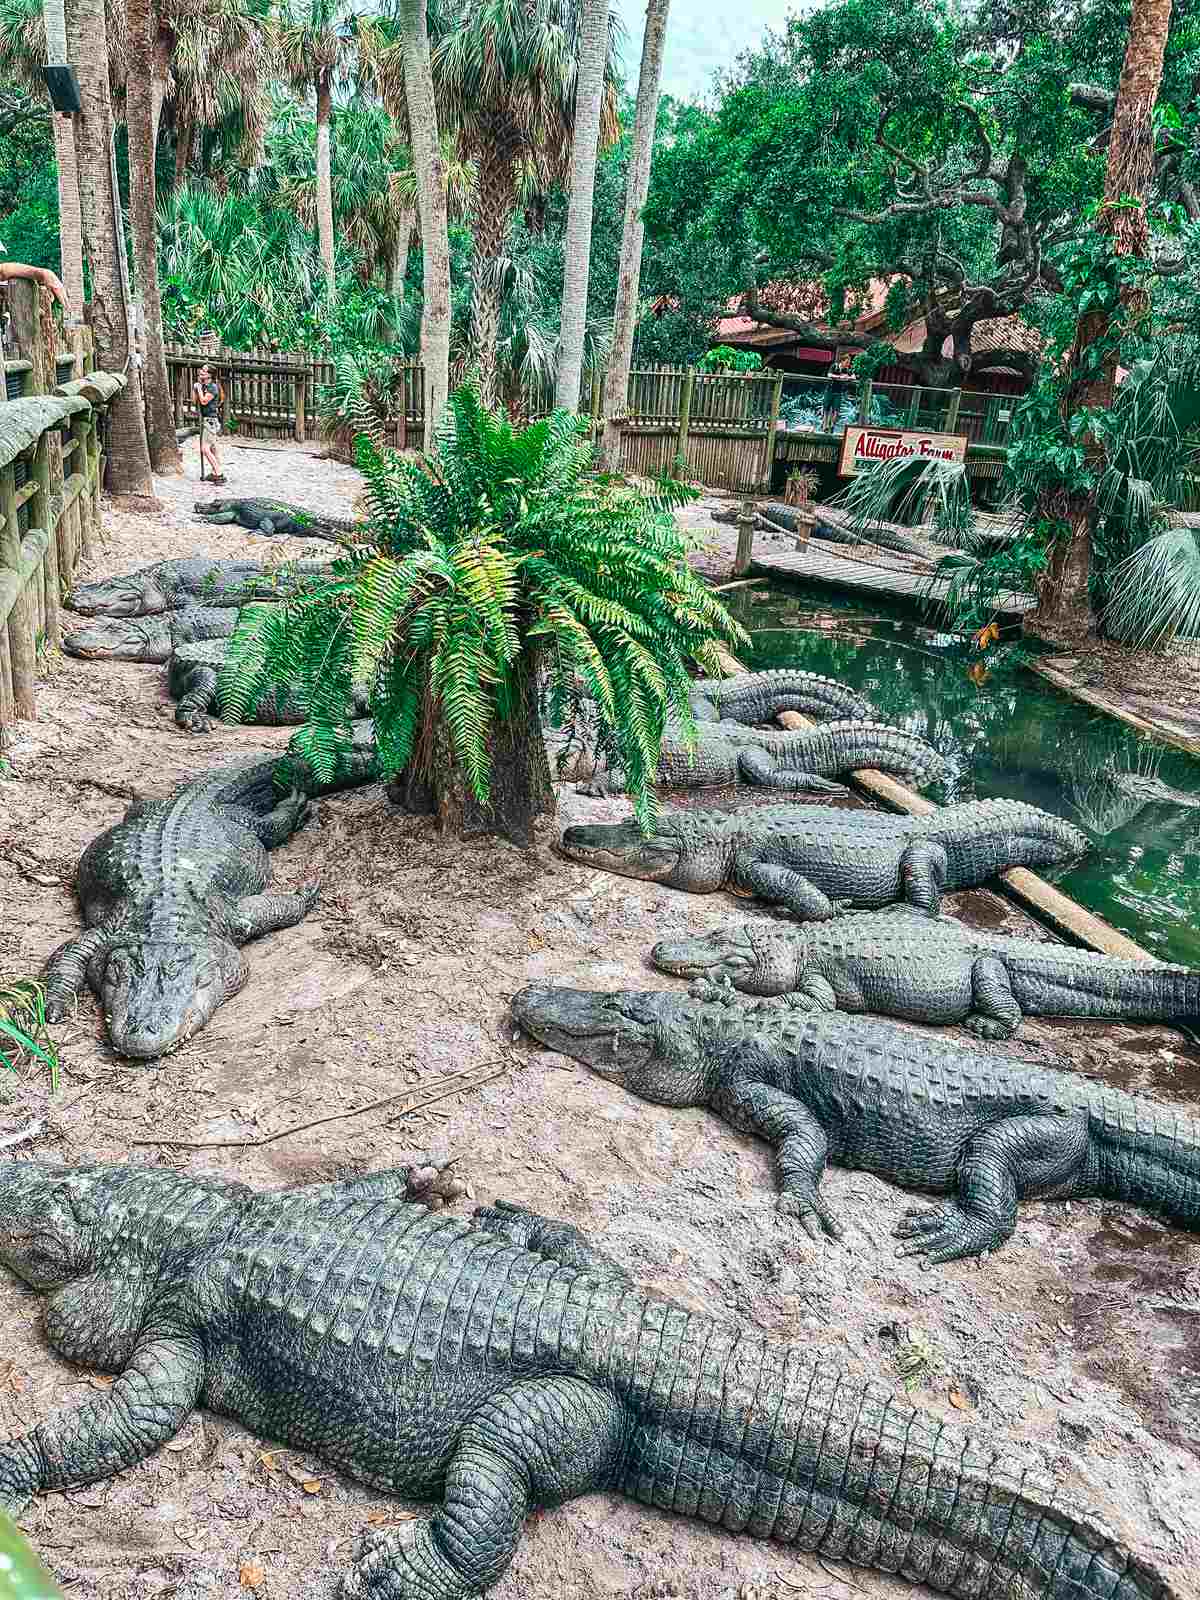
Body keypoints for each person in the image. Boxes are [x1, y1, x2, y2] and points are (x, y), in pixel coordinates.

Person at [192, 364, 227, 485]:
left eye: (204, 370)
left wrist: (199, 389)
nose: (201, 371)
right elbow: (195, 400)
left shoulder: (212, 387)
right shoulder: (205, 386)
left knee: (205, 449)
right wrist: (196, 387)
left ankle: (218, 474)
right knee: (212, 448)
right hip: (207, 419)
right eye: (201, 369)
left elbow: (204, 401)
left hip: (210, 421)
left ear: (210, 375)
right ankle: (215, 471)